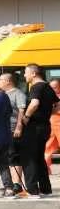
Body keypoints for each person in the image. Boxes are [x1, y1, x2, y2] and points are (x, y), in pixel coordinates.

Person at [21, 64, 59, 197]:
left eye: (26, 73)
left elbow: (35, 103)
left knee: (29, 158)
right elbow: (57, 104)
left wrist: (26, 116)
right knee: (39, 158)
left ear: (33, 74)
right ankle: (45, 189)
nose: (24, 75)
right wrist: (48, 113)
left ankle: (32, 190)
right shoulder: (48, 86)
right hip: (45, 126)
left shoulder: (36, 87)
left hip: (34, 127)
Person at [0, 72, 27, 193]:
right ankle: (10, 183)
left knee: (14, 156)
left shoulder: (18, 94)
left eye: (1, 80)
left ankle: (17, 184)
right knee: (7, 158)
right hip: (4, 130)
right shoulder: (2, 94)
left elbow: (22, 111)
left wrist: (19, 127)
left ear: (8, 81)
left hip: (13, 129)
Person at [45, 78, 60, 175]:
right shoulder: (48, 97)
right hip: (51, 125)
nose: (53, 89)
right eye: (51, 87)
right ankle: (45, 170)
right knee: (46, 148)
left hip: (57, 124)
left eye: (55, 87)